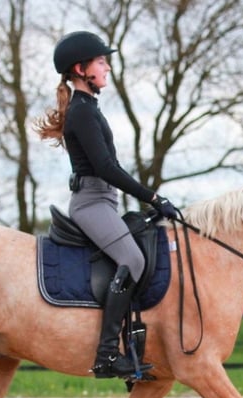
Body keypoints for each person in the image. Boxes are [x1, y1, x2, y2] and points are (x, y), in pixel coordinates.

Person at [34, 31, 179, 379]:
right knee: (132, 258)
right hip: (91, 203)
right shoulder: (82, 112)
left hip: (103, 201)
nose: (108, 68)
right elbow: (106, 168)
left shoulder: (88, 109)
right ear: (82, 69)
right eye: (102, 62)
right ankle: (106, 356)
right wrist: (154, 198)